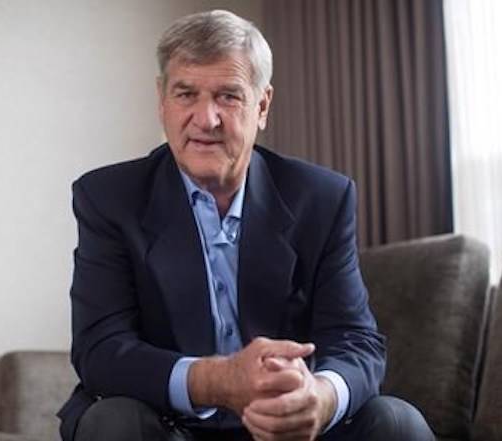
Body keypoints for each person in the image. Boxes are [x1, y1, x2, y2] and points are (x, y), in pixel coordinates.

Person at [58, 9, 435, 441]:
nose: (206, 119)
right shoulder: (109, 197)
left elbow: (356, 341)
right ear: (162, 101)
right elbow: (101, 350)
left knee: (397, 422)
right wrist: (219, 380)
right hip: (169, 425)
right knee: (114, 423)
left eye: (228, 96)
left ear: (262, 105)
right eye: (186, 94)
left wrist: (320, 396)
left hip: (288, 431)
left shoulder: (321, 198)